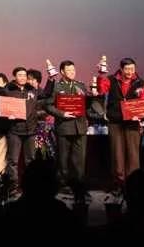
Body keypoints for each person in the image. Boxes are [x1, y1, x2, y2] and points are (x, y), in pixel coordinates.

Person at [98, 57, 144, 186]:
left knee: (133, 154)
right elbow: (101, 90)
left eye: (132, 69)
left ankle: (133, 184)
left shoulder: (139, 82)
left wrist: (140, 115)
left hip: (132, 123)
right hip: (115, 121)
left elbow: (143, 100)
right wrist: (101, 75)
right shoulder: (111, 80)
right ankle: (118, 184)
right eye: (127, 69)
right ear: (121, 69)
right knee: (117, 154)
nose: (130, 72)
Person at [44, 60, 92, 191]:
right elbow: (48, 105)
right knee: (63, 158)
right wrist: (62, 114)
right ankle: (63, 185)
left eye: (73, 70)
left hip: (80, 127)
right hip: (64, 127)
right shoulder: (56, 87)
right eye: (69, 70)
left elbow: (87, 105)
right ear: (62, 72)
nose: (72, 72)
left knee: (80, 159)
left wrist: (92, 96)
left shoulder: (81, 86)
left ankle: (79, 185)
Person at [3, 67, 38, 190]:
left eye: (24, 75)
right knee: (13, 160)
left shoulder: (32, 89)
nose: (23, 77)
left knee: (31, 161)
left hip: (31, 131)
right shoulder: (8, 90)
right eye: (20, 75)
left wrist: (51, 79)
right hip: (15, 131)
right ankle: (13, 186)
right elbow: (2, 108)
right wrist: (7, 115)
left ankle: (30, 186)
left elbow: (47, 94)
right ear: (15, 77)